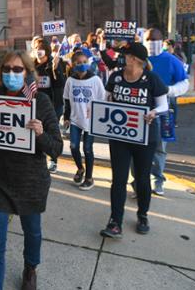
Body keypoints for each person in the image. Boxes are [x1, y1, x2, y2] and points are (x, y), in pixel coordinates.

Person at [0, 50, 63, 290]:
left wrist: (39, 134)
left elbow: (56, 148)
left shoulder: (41, 102)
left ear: (27, 73)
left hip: (30, 182)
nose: (11, 74)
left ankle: (30, 268)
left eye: (18, 70)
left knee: (32, 233)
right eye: (6, 69)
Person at [100, 43, 168, 239]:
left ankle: (143, 215)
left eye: (125, 55)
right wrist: (98, 109)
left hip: (145, 137)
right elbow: (107, 99)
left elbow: (163, 105)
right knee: (118, 180)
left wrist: (154, 112)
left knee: (142, 178)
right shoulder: (116, 77)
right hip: (120, 136)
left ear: (134, 59)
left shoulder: (151, 79)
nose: (122, 58)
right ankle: (115, 222)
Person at [144, 29, 188, 195]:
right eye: (148, 39)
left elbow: (184, 83)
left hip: (162, 110)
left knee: (159, 147)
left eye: (154, 39)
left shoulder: (171, 60)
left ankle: (158, 180)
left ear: (161, 41)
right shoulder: (139, 58)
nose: (151, 42)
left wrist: (168, 90)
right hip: (139, 108)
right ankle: (139, 182)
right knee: (137, 146)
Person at [63, 51, 106, 190]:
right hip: (75, 119)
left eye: (84, 62)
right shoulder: (70, 80)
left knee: (87, 149)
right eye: (78, 63)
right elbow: (67, 100)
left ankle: (89, 177)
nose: (82, 65)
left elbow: (102, 98)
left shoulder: (95, 80)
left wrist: (98, 113)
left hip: (91, 120)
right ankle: (80, 169)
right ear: (73, 65)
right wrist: (66, 117)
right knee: (73, 146)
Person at [33, 38, 66, 174]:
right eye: (35, 48)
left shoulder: (56, 63)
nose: (37, 51)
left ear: (45, 50)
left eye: (39, 48)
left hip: (53, 105)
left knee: (51, 132)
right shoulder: (32, 65)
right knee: (37, 131)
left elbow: (60, 84)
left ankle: (53, 160)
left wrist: (55, 70)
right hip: (36, 104)